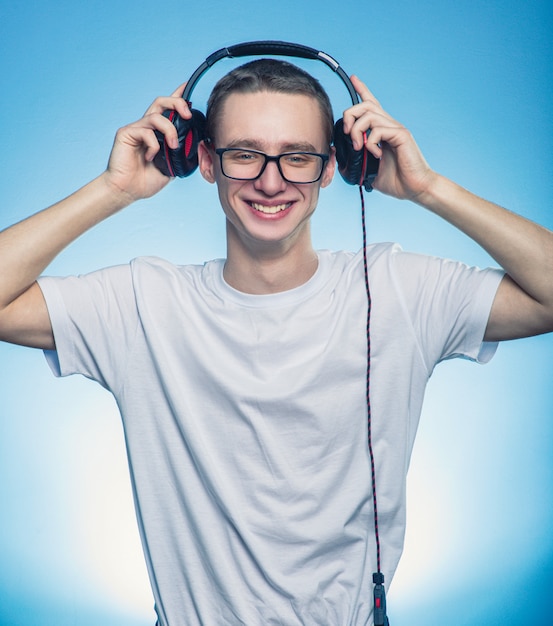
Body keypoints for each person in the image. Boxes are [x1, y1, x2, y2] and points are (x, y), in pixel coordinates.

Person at [0, 57, 552, 626]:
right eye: (244, 153)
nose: (271, 180)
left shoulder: (398, 290)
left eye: (298, 156)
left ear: (336, 165)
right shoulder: (142, 303)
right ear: (204, 161)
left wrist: (429, 189)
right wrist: (112, 190)